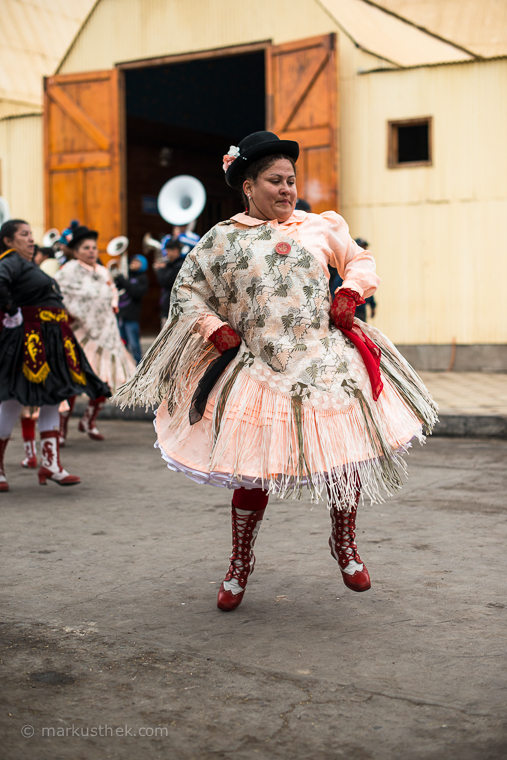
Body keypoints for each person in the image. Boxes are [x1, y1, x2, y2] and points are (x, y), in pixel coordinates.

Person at [115, 131, 437, 612]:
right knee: (252, 472)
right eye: (275, 181)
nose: (287, 189)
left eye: (291, 180)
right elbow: (187, 293)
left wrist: (349, 293)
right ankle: (240, 562)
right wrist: (212, 328)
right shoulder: (220, 239)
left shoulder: (320, 227)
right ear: (248, 185)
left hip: (325, 361)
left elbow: (361, 261)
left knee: (343, 457)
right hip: (259, 367)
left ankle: (344, 545)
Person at [0, 219, 110, 490]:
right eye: (23, 234)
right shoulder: (10, 261)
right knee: (14, 396)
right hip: (31, 339)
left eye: (30, 234)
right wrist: (11, 312)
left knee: (54, 394)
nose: (30, 239)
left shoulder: (28, 265)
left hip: (52, 337)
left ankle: (50, 464)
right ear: (8, 241)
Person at [54, 226, 137, 443]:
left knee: (104, 380)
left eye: (93, 247)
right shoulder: (68, 271)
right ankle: (61, 428)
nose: (91, 251)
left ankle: (89, 420)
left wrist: (113, 303)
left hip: (106, 334)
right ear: (75, 251)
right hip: (78, 334)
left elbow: (112, 294)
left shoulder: (102, 271)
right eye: (86, 248)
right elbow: (61, 297)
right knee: (73, 381)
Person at [114, 255, 149, 364]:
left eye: (137, 262)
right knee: (122, 343)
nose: (133, 263)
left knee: (134, 345)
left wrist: (124, 282)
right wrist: (117, 278)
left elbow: (136, 292)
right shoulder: (127, 276)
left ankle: (139, 366)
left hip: (132, 316)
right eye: (133, 261)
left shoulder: (142, 278)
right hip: (121, 314)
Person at [153, 238, 185, 328]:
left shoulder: (179, 266)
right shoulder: (170, 265)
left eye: (168, 251)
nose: (166, 255)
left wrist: (159, 270)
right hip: (168, 307)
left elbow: (165, 281)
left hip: (174, 309)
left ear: (175, 251)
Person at [354, 239, 376, 322]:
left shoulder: (365, 266)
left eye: (365, 248)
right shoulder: (349, 265)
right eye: (362, 248)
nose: (364, 250)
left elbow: (368, 286)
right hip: (350, 308)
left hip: (361, 309)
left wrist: (372, 305)